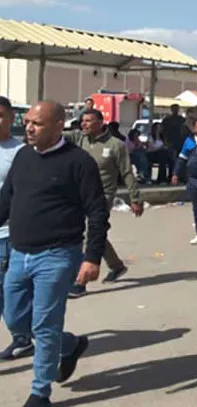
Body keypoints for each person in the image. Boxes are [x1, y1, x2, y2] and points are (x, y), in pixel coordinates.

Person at [0, 100, 109, 407]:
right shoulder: (23, 156)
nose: (29, 128)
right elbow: (6, 201)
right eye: (28, 122)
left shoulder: (79, 162)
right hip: (19, 253)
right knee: (15, 318)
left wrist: (92, 258)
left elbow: (97, 212)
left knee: (45, 326)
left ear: (59, 125)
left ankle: (40, 393)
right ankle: (70, 345)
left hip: (58, 255)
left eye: (37, 123)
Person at [65, 109, 143, 298]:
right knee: (94, 233)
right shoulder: (79, 138)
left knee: (88, 233)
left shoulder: (116, 145)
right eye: (82, 121)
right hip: (79, 193)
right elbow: (57, 134)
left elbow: (127, 172)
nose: (84, 124)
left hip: (102, 196)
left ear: (101, 123)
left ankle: (80, 281)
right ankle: (116, 266)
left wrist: (135, 198)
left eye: (88, 121)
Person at [0, 97, 32, 361]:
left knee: (11, 295)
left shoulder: (21, 152)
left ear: (12, 118)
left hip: (9, 235)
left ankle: (25, 338)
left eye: (0, 115)